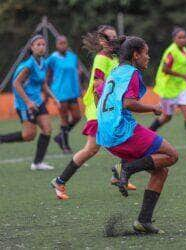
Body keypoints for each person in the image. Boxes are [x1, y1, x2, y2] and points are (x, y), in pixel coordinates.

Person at [98, 36, 178, 234]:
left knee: (161, 171)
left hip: (106, 132)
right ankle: (125, 168)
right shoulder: (132, 73)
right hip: (121, 130)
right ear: (136, 55)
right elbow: (128, 103)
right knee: (171, 156)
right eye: (146, 53)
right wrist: (153, 108)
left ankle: (143, 221)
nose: (148, 58)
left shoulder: (116, 71)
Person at [50, 25, 136, 200]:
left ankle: (118, 173)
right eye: (110, 38)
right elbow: (98, 87)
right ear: (102, 41)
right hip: (98, 109)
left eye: (115, 37)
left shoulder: (113, 58)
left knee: (127, 135)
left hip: (107, 108)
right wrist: (103, 111)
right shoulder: (101, 59)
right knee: (91, 149)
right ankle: (59, 181)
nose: (114, 40)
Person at [149, 27, 186, 155]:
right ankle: (148, 132)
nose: (183, 40)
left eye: (184, 37)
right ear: (174, 39)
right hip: (168, 90)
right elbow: (165, 69)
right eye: (179, 37)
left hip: (181, 88)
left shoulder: (185, 51)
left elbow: (185, 66)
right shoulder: (171, 52)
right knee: (166, 117)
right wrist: (182, 75)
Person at [0, 35, 56, 170]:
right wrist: (28, 102)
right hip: (24, 104)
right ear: (32, 48)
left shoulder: (43, 62)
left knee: (47, 129)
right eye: (38, 45)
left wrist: (55, 98)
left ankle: (37, 163)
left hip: (38, 102)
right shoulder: (28, 65)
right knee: (29, 135)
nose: (41, 47)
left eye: (43, 44)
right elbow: (16, 84)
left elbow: (43, 84)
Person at [46, 35, 82, 153]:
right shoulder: (52, 58)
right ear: (56, 45)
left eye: (65, 43)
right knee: (64, 118)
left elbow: (77, 71)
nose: (63, 45)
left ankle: (60, 137)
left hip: (72, 91)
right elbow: (48, 74)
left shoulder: (73, 57)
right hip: (59, 92)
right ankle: (65, 146)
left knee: (77, 117)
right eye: (60, 43)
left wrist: (80, 85)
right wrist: (47, 91)